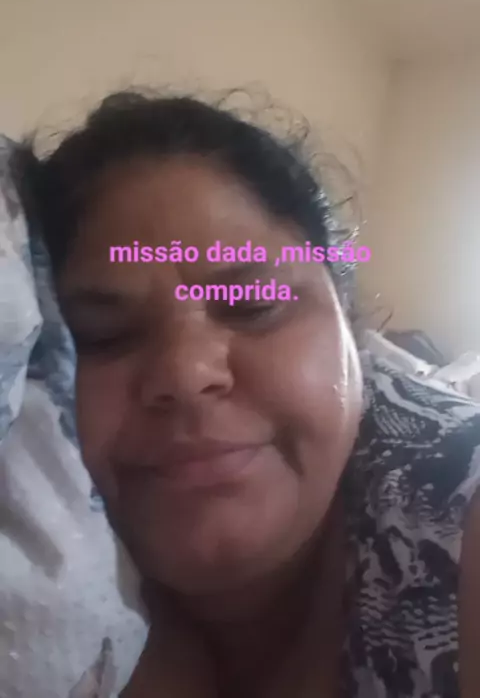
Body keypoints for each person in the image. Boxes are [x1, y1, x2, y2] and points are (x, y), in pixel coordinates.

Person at [16, 91, 480, 697]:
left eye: (254, 305)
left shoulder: (452, 502)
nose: (187, 374)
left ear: (347, 319)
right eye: (103, 334)